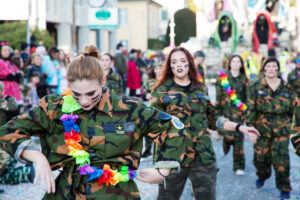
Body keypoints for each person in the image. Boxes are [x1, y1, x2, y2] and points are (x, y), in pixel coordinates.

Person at [0, 45, 186, 199]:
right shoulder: (54, 107)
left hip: (117, 194)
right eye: (77, 94)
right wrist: (37, 157)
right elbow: (7, 131)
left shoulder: (130, 108)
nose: (85, 101)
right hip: (68, 192)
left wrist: (163, 171)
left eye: (91, 94)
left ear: (103, 81)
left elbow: (172, 126)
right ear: (68, 84)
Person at [151, 47, 260, 200]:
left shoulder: (200, 88)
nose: (179, 65)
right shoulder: (161, 90)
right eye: (174, 62)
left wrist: (239, 127)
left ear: (189, 64)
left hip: (202, 156)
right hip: (172, 158)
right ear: (170, 66)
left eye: (183, 61)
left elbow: (213, 118)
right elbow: (151, 123)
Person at [247, 57, 294, 199]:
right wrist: (250, 130)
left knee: (282, 161)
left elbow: (294, 109)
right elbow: (251, 109)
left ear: (278, 69)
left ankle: (284, 189)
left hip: (282, 129)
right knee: (261, 160)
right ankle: (263, 175)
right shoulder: (255, 85)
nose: (271, 69)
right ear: (264, 68)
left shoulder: (287, 87)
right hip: (261, 129)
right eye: (268, 66)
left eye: (274, 66)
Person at [215, 55, 249, 175]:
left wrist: (246, 113)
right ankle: (226, 144)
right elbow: (218, 96)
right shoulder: (222, 78)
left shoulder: (244, 79)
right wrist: (217, 113)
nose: (235, 63)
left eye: (238, 61)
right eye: (233, 61)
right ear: (229, 64)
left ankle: (239, 167)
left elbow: (247, 97)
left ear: (241, 64)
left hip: (238, 114)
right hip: (225, 114)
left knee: (239, 140)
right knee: (228, 137)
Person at [0, 81, 34, 188]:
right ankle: (25, 172)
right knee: (3, 176)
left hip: (7, 144)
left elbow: (13, 107)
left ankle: (24, 171)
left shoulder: (9, 101)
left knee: (6, 164)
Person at [141, 59, 164, 158]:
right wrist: (147, 95)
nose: (158, 70)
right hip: (152, 109)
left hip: (164, 109)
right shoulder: (150, 82)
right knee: (148, 130)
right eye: (156, 68)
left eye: (160, 68)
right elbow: (144, 93)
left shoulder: (167, 82)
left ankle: (161, 151)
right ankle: (148, 149)